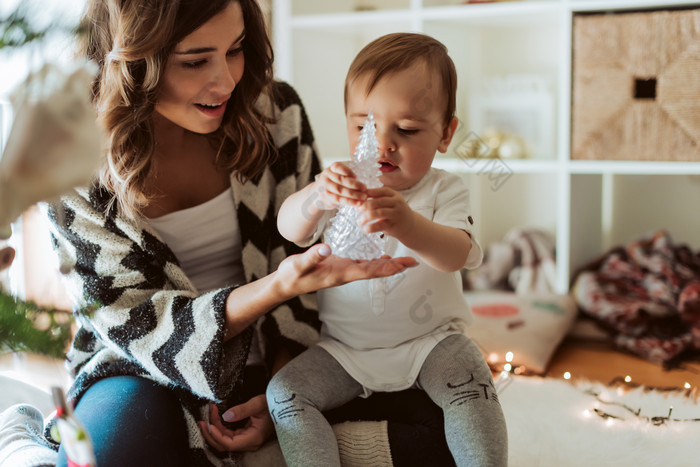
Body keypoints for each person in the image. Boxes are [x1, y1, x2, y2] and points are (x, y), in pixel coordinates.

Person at [0, 1, 432, 467]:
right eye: (195, 61)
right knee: (120, 448)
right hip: (136, 367)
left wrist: (287, 392)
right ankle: (24, 444)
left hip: (275, 356)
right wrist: (276, 286)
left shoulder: (275, 113)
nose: (226, 80)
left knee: (442, 422)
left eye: (237, 49)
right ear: (134, 59)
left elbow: (305, 281)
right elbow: (135, 322)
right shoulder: (74, 159)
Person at [263, 33, 509, 466]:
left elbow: (456, 254)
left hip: (430, 342)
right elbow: (289, 226)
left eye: (408, 129)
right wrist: (318, 196)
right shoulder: (339, 183)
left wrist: (410, 225)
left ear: (446, 134)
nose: (381, 144)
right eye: (363, 125)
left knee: (473, 385)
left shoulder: (445, 189)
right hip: (345, 350)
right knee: (284, 394)